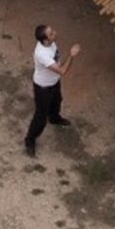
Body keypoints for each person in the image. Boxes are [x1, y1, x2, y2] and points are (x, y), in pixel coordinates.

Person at [23, 23, 80, 157]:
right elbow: (62, 71)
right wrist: (71, 55)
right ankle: (30, 140)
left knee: (57, 101)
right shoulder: (42, 54)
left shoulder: (50, 43)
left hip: (53, 82)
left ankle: (54, 118)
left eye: (52, 30)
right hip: (43, 87)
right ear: (45, 40)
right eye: (51, 33)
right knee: (40, 117)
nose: (55, 33)